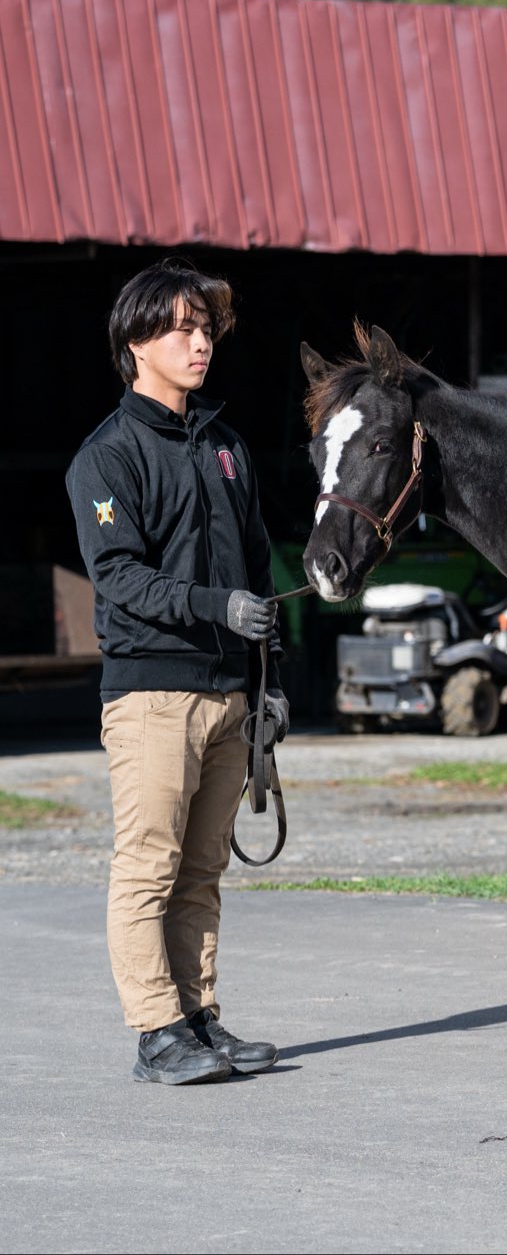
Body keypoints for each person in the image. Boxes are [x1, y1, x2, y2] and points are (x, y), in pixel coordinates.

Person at [65, 260, 288, 1082]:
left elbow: (261, 567)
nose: (202, 344)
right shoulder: (106, 457)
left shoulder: (225, 447)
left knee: (202, 871)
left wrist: (272, 680)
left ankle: (198, 1019)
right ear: (137, 343)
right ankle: (155, 1033)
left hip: (232, 690)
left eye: (207, 330)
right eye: (183, 330)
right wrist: (212, 607)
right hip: (154, 693)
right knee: (148, 865)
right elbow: (118, 573)